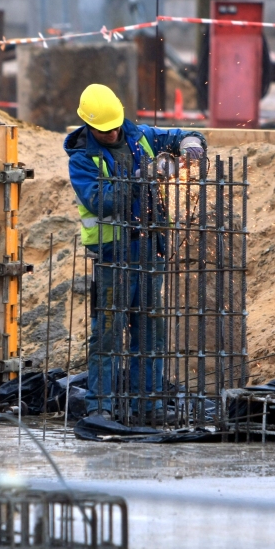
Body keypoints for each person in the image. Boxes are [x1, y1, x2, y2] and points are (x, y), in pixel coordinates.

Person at [63, 83, 206, 420]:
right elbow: (101, 199)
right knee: (109, 336)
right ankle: (101, 408)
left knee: (150, 333)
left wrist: (191, 142)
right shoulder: (82, 159)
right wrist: (139, 178)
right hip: (114, 255)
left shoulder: (139, 134)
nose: (113, 132)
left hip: (148, 249)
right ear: (89, 126)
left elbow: (179, 135)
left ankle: (150, 408)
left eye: (115, 125)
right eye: (105, 129)